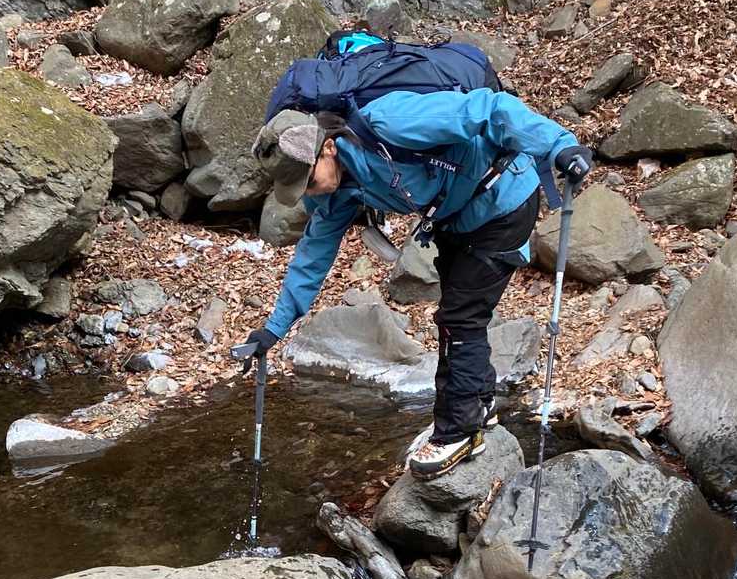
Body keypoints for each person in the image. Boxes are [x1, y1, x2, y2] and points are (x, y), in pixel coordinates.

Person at [241, 88, 592, 478]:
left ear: (327, 148)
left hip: (503, 198)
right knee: (458, 315)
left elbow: (490, 109)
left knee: (460, 317)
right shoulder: (337, 190)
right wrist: (272, 331)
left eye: (307, 181)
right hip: (456, 217)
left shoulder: (391, 122)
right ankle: (479, 403)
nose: (308, 192)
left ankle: (459, 430)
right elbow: (312, 257)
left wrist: (559, 145)